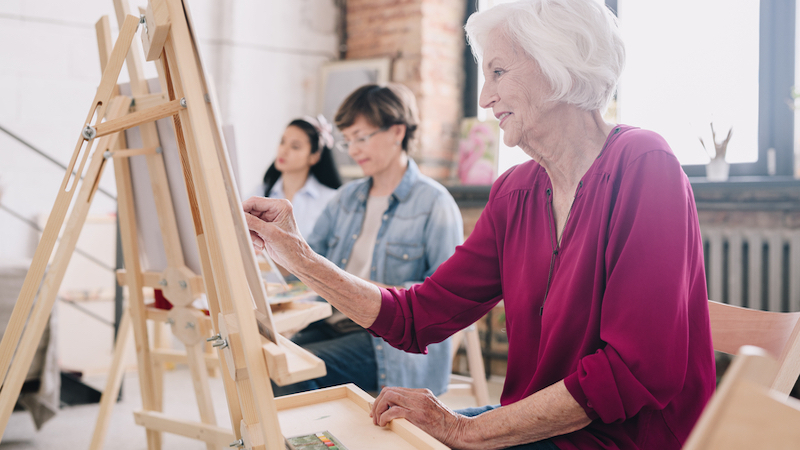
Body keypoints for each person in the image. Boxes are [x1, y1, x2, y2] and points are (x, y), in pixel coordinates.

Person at [244, 1, 716, 448]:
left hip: (626, 440)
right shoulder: (515, 193)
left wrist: (464, 429)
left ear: (561, 67)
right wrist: (298, 257)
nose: (486, 97)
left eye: (498, 72)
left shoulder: (644, 164)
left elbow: (633, 372)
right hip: (538, 429)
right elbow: (416, 317)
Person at [270, 83, 464, 398]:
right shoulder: (346, 198)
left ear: (397, 132)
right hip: (333, 322)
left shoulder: (434, 203)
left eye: (361, 138)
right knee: (267, 362)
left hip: (387, 340)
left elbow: (445, 300)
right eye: (348, 141)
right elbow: (305, 258)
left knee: (291, 373)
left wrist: (363, 289)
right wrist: (269, 243)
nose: (355, 150)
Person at [253, 116, 341, 238]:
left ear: (314, 156)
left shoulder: (330, 200)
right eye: (282, 142)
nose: (283, 151)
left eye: (295, 146)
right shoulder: (259, 193)